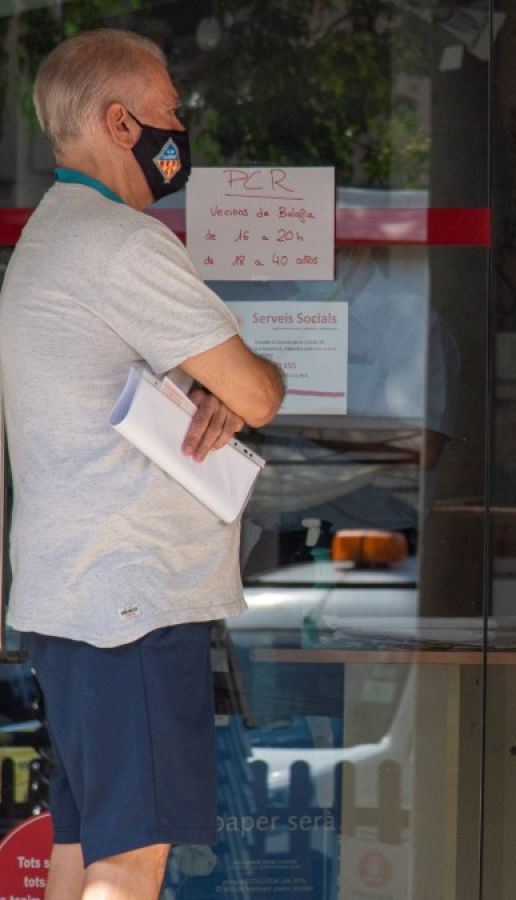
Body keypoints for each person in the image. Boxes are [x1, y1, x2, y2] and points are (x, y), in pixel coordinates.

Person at [0, 30, 284, 899]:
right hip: (133, 599)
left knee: (87, 852)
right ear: (121, 123)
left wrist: (217, 387)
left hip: (79, 596)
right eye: (170, 112)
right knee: (131, 864)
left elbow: (213, 388)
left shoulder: (54, 236)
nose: (180, 128)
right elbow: (259, 392)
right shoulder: (121, 245)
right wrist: (237, 383)